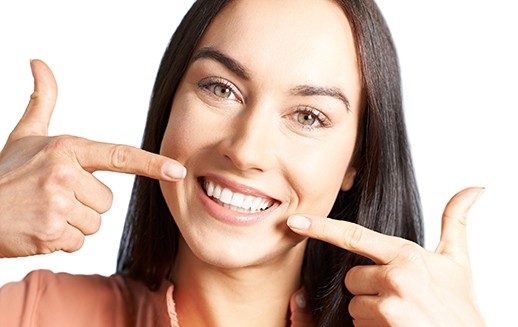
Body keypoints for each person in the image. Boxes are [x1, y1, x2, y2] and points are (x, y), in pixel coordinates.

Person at [0, 0, 487, 326]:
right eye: (220, 88)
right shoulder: (36, 312)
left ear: (354, 166)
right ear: (170, 101)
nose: (246, 150)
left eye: (308, 116)